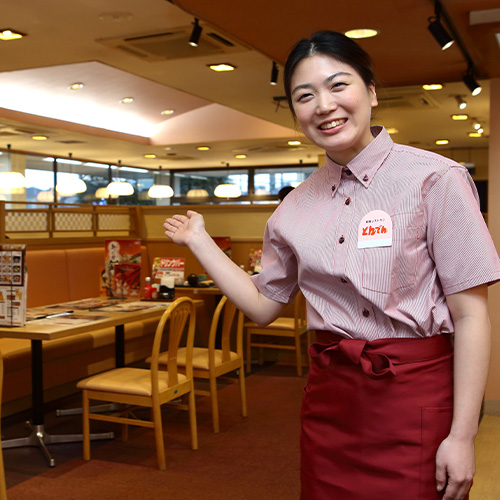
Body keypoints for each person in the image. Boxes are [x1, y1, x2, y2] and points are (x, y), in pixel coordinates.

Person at [164, 31, 500, 500]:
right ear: (296, 112)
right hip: (330, 399)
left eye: (338, 85)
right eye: (305, 96)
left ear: (371, 92)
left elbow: (472, 316)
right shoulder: (294, 208)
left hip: (414, 397)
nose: (324, 105)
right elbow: (263, 307)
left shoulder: (436, 179)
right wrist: (199, 241)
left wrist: (463, 436)